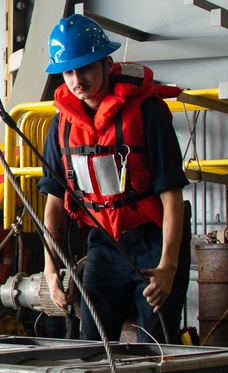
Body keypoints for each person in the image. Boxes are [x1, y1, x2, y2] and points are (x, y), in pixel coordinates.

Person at [37, 14, 191, 344]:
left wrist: (168, 267)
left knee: (157, 354)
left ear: (107, 64)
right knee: (92, 352)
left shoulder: (147, 112)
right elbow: (54, 203)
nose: (77, 80)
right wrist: (50, 270)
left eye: (86, 68)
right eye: (68, 72)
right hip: (104, 245)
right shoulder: (61, 128)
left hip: (153, 242)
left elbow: (171, 195)